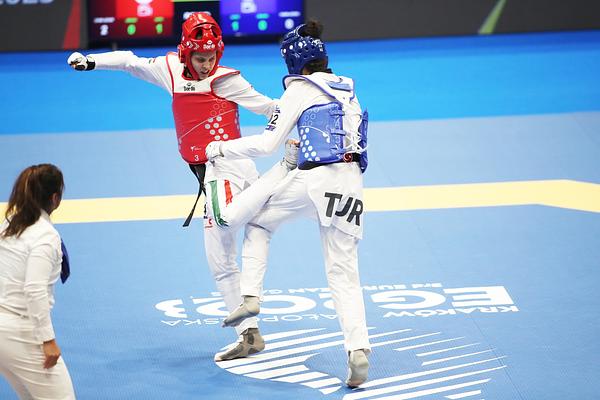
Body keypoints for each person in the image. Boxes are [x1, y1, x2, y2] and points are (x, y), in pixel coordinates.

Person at [66, 12, 291, 361]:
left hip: (227, 169)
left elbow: (273, 109)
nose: (207, 64)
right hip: (211, 174)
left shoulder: (226, 80)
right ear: (186, 53)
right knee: (224, 257)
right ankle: (249, 334)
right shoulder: (170, 70)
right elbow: (129, 62)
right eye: (200, 58)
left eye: (212, 57)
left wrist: (275, 137)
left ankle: (283, 171)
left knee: (224, 243)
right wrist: (91, 61)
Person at [204, 20, 371, 387]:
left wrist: (219, 148)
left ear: (294, 63)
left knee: (260, 222)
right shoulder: (348, 88)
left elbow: (267, 144)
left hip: (314, 180)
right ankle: (358, 350)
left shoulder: (299, 88)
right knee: (344, 273)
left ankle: (250, 296)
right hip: (352, 185)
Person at [0, 164, 76, 399]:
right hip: (19, 332)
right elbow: (34, 290)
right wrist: (48, 340)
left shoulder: (10, 223)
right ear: (55, 198)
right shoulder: (45, 237)